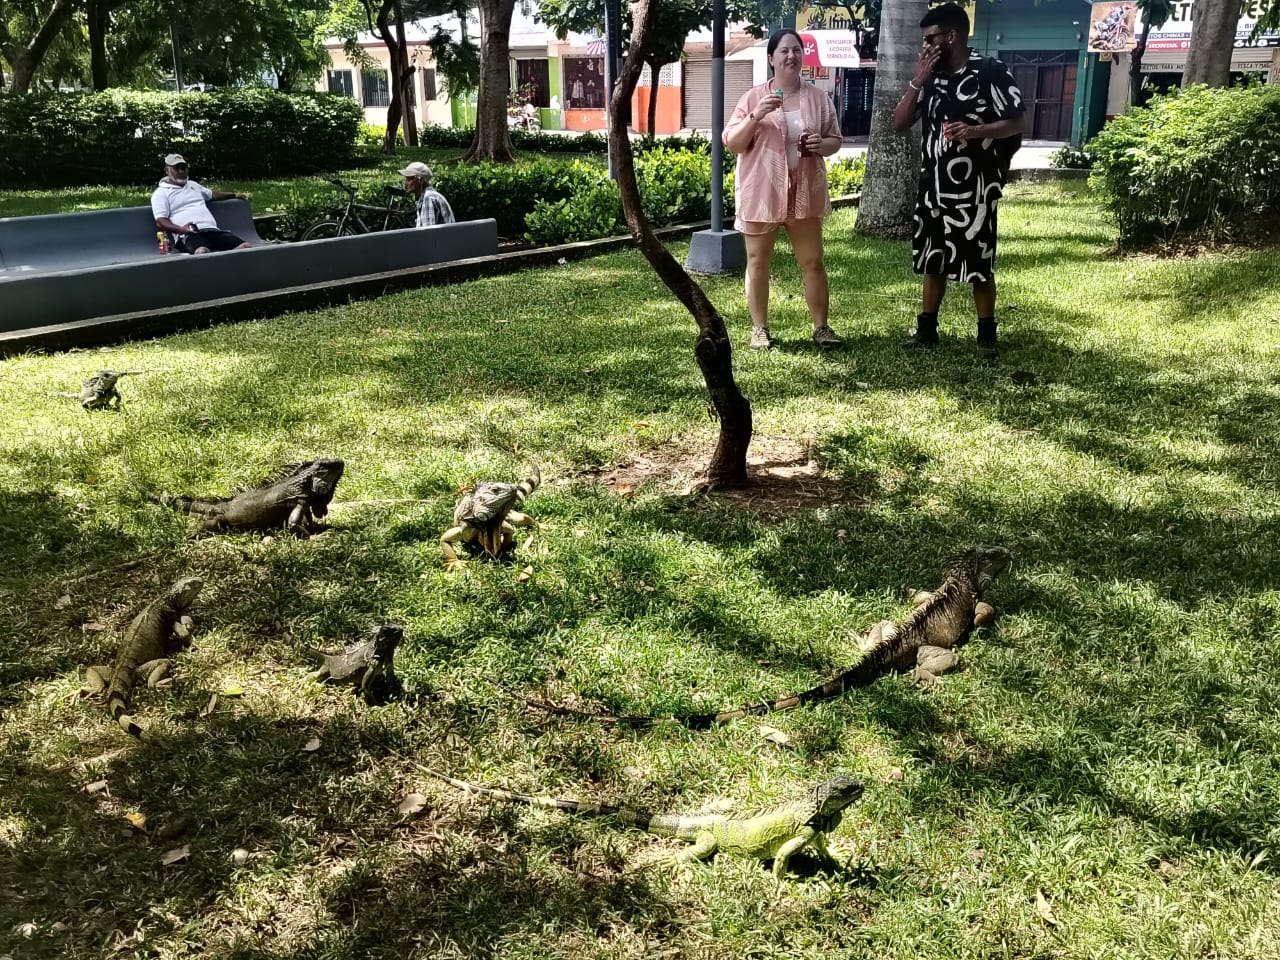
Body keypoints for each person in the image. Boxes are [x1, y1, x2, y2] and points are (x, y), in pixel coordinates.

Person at [892, 2, 1023, 358]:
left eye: (931, 38)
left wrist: (975, 129)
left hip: (975, 189)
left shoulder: (990, 71)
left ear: (952, 36)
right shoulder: (930, 76)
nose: (926, 45)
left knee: (978, 262)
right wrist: (917, 80)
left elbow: (1015, 121)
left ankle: (986, 336)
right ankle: (927, 330)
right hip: (933, 185)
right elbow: (899, 122)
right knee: (933, 260)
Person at [724, 29, 844, 350]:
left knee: (813, 261)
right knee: (757, 261)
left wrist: (822, 145)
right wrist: (756, 115)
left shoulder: (818, 98)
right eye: (784, 51)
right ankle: (759, 329)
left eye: (796, 50)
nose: (791, 56)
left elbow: (835, 140)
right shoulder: (752, 97)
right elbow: (733, 143)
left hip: (804, 193)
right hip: (762, 193)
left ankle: (821, 327)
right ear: (771, 58)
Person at [150, 153, 251, 255]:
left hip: (213, 231)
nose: (181, 171)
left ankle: (228, 266)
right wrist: (182, 230)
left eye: (184, 168)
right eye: (177, 168)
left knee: (246, 247)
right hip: (189, 235)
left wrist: (233, 195)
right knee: (202, 252)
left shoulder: (193, 185)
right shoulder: (161, 193)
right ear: (167, 170)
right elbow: (161, 221)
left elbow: (212, 194)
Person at [399, 161, 455, 227]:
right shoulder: (427, 196)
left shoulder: (428, 198)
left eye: (409, 179)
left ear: (421, 180)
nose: (406, 184)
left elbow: (428, 234)